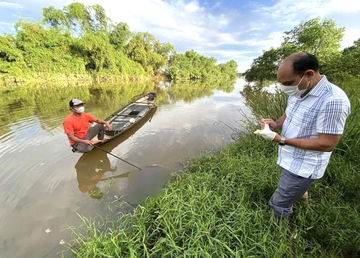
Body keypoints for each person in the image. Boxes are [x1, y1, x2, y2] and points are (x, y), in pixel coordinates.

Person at [255, 52, 351, 220]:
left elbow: (327, 144)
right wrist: (276, 124)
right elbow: (290, 112)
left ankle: (280, 235)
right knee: (293, 188)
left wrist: (280, 139)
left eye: (288, 83)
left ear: (308, 74)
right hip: (289, 157)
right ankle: (301, 195)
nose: (285, 88)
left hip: (303, 166)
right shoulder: (300, 89)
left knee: (279, 203)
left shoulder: (333, 101)